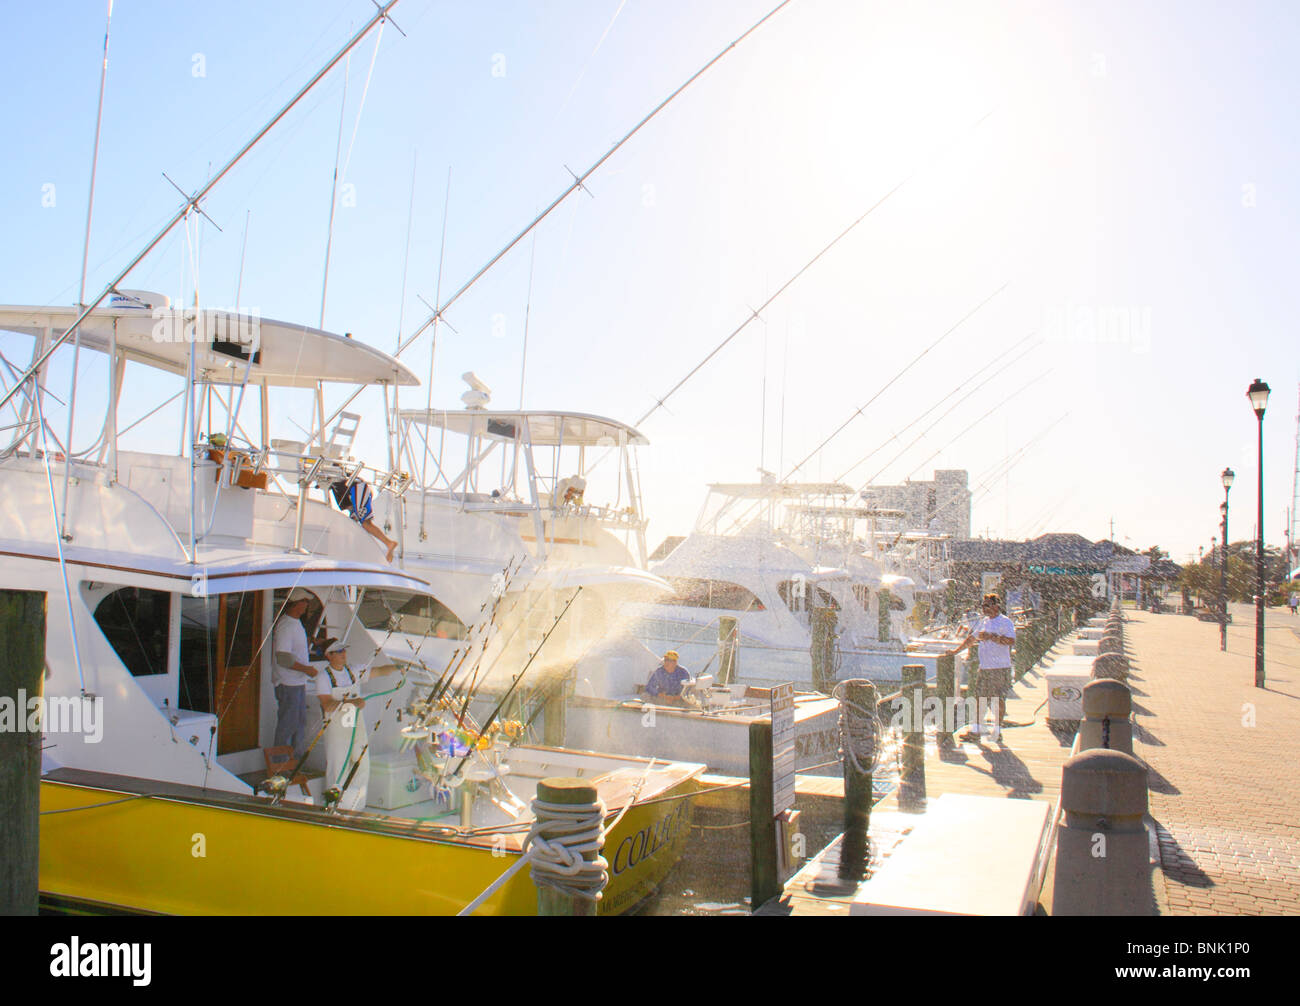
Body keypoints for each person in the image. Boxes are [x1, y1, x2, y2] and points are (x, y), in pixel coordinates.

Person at [949, 593, 1016, 744]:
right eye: (983, 606)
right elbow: (971, 639)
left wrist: (992, 637)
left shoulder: (1005, 622)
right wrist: (955, 652)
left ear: (995, 606)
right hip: (984, 667)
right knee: (979, 699)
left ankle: (997, 732)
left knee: (998, 700)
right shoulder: (983, 622)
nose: (984, 608)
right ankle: (976, 731)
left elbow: (1011, 640)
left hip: (1000, 668)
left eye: (986, 605)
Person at [315, 640, 370, 811]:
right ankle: (334, 807)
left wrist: (397, 668)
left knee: (362, 763)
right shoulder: (323, 677)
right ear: (329, 656)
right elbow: (327, 705)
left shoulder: (353, 671)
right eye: (338, 652)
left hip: (356, 727)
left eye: (344, 651)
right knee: (338, 766)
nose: (343, 654)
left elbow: (378, 672)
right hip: (337, 731)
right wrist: (353, 702)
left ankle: (356, 807)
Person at [272, 590, 318, 757]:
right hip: (288, 684)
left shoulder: (295, 623)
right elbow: (282, 658)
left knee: (299, 723)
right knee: (288, 725)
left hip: (297, 683)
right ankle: (279, 766)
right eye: (305, 601)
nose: (307, 605)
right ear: (297, 603)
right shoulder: (286, 625)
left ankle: (295, 763)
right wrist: (308, 670)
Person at [330, 476, 398, 563]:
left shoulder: (334, 479)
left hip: (358, 489)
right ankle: (356, 552)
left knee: (366, 524)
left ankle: (389, 543)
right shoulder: (333, 484)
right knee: (352, 524)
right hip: (354, 492)